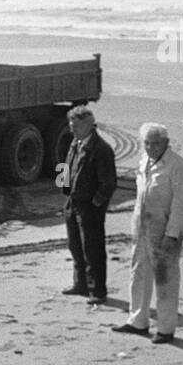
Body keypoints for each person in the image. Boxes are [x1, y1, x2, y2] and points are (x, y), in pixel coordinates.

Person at [112, 123, 183, 343]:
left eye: (155, 143)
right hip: (142, 228)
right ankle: (137, 321)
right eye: (146, 143)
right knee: (138, 273)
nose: (150, 147)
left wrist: (172, 233)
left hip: (165, 231)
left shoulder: (177, 166)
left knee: (165, 280)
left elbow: (182, 203)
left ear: (166, 143)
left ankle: (166, 329)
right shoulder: (145, 162)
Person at [60, 106, 117, 302]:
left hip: (89, 207)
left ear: (88, 125)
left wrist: (96, 204)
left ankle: (97, 291)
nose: (72, 129)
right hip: (73, 203)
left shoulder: (101, 149)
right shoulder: (75, 143)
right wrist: (64, 189)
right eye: (70, 125)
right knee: (75, 245)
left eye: (75, 126)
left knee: (92, 249)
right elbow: (65, 165)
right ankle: (80, 285)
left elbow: (108, 184)